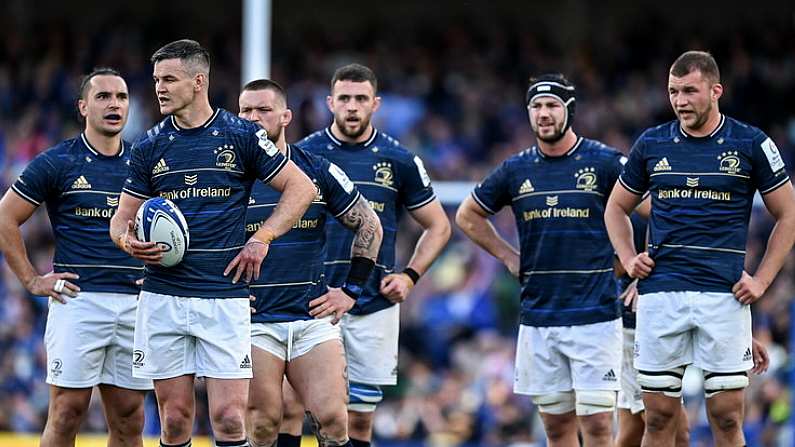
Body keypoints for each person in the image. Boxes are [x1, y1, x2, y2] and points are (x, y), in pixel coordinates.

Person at [109, 40, 316, 447]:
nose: (160, 88)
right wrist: (127, 242)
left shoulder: (240, 135)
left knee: (228, 418)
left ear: (198, 81)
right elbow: (121, 219)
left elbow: (301, 187)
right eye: (156, 80)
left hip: (223, 296)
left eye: (169, 79)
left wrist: (262, 238)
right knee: (174, 419)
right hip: (164, 296)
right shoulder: (149, 146)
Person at [605, 50, 795, 447]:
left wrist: (761, 280)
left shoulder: (751, 142)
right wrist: (627, 257)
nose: (680, 101)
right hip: (661, 296)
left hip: (722, 297)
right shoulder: (651, 142)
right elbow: (616, 207)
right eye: (674, 91)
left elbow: (789, 214)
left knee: (726, 419)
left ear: (716, 90)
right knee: (657, 419)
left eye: (690, 91)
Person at [280, 63, 451, 447]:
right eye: (344, 99)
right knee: (292, 410)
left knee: (358, 421)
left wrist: (411, 275)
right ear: (330, 103)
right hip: (313, 302)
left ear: (375, 104)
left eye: (360, 99)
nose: (352, 107)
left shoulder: (399, 158)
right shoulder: (305, 155)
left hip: (373, 303)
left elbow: (439, 226)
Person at [456, 73, 623, 447]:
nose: (544, 114)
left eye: (552, 105)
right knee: (556, 429)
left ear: (570, 110)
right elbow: (467, 215)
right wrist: (507, 256)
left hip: (594, 317)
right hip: (539, 318)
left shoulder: (605, 161)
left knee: (597, 427)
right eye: (536, 107)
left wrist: (633, 260)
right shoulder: (516, 169)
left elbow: (651, 207)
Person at [0, 68, 152, 446]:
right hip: (78, 300)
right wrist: (31, 279)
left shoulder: (145, 163)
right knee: (67, 410)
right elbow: (5, 215)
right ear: (83, 106)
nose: (114, 104)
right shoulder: (58, 161)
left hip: (137, 303)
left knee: (130, 417)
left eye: (121, 97)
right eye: (103, 97)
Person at [238, 79, 383, 447]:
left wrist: (351, 290)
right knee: (264, 424)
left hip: (311, 320)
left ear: (285, 116)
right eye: (245, 110)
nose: (253, 118)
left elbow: (369, 224)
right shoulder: (229, 177)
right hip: (254, 320)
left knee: (334, 420)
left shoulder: (316, 169)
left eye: (263, 110)